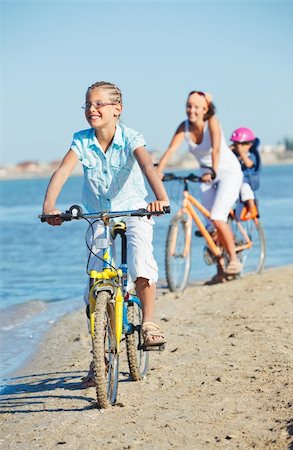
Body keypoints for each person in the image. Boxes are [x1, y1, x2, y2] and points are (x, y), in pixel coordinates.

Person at [42, 81, 170, 386]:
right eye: (88, 104)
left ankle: (149, 323)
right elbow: (61, 172)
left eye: (99, 104)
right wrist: (50, 206)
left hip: (136, 210)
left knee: (140, 262)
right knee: (96, 280)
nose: (92, 109)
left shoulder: (130, 137)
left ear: (117, 109)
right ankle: (98, 354)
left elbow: (148, 166)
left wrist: (160, 198)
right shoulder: (81, 141)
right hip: (98, 214)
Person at [157, 90, 243, 281]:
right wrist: (158, 171)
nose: (191, 110)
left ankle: (234, 259)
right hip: (205, 174)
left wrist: (213, 170)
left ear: (205, 109)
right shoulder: (184, 127)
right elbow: (171, 149)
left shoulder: (212, 122)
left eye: (196, 107)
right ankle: (221, 270)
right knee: (208, 226)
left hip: (227, 171)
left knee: (218, 216)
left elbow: (216, 150)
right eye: (189, 106)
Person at [230, 127, 261, 219]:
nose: (237, 147)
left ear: (249, 145)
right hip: (235, 180)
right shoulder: (234, 155)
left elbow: (249, 164)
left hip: (249, 180)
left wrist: (241, 153)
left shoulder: (251, 155)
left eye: (239, 145)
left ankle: (252, 208)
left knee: (244, 187)